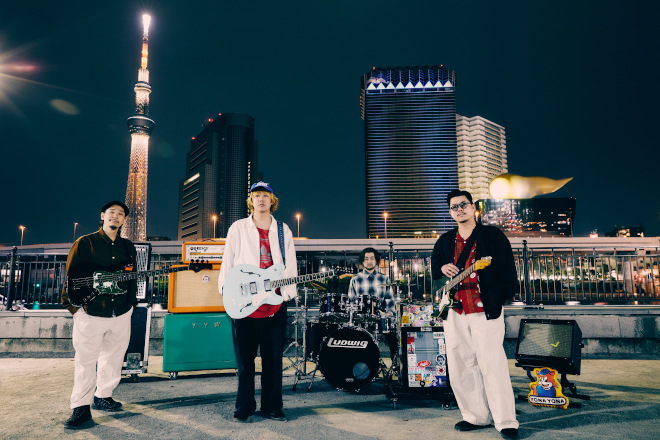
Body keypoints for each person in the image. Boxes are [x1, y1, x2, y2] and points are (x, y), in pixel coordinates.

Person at [431, 190, 519, 439]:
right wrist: (441, 267)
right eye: (454, 207)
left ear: (473, 208)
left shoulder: (492, 235)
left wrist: (500, 299)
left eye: (463, 205)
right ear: (450, 212)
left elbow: (508, 269)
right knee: (461, 365)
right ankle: (475, 416)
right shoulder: (444, 241)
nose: (459, 209)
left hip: (484, 309)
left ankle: (506, 421)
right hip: (455, 310)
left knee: (492, 364)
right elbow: (435, 269)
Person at [218, 181, 297, 422]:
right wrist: (227, 292)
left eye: (265, 195)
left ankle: (272, 407)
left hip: (274, 303)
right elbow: (228, 261)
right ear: (250, 201)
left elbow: (290, 263)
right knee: (245, 363)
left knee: (273, 361)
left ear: (272, 201)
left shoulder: (283, 230)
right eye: (256, 195)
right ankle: (244, 406)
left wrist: (287, 294)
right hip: (244, 303)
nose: (260, 199)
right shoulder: (238, 227)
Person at [61, 201, 137, 429]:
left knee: (114, 356)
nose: (116, 216)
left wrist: (130, 304)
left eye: (120, 214)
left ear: (124, 220)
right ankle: (80, 407)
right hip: (91, 311)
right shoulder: (85, 243)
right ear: (103, 215)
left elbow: (131, 276)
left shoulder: (128, 246)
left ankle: (103, 395)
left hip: (120, 311)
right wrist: (74, 309)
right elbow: (71, 277)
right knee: (86, 360)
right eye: (111, 212)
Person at [348, 248, 397, 356]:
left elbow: (390, 301)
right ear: (362, 261)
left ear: (376, 260)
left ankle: (395, 363)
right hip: (361, 320)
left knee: (393, 338)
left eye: (372, 258)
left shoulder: (384, 279)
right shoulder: (355, 279)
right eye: (366, 259)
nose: (369, 261)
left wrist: (388, 313)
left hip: (380, 318)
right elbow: (351, 302)